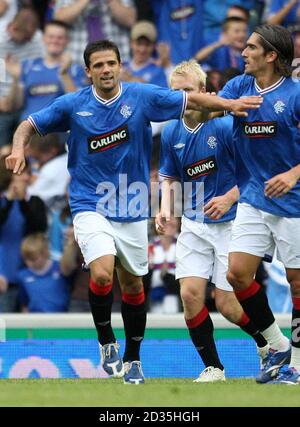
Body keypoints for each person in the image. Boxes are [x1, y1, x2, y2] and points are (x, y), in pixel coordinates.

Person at [5, 39, 262, 384]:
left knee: (132, 285)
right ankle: (106, 340)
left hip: (132, 206)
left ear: (120, 65)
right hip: (89, 203)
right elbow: (28, 124)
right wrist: (19, 149)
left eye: (111, 63)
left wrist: (230, 104)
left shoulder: (142, 97)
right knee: (101, 273)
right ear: (88, 72)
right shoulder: (72, 105)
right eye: (98, 65)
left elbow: (193, 99)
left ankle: (133, 359)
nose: (106, 70)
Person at [156, 59, 268, 382]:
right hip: (193, 224)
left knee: (229, 306)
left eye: (188, 91)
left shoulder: (223, 128)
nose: (183, 99)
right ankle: (214, 367)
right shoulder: (171, 132)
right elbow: (168, 176)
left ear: (204, 92)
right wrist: (165, 208)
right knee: (190, 294)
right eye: (176, 93)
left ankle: (265, 343)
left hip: (231, 224)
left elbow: (252, 174)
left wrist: (229, 197)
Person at [220, 24, 300, 385]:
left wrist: (295, 173)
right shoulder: (238, 87)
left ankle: (296, 363)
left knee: (298, 284)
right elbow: (211, 111)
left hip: (292, 201)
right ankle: (277, 344)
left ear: (271, 55)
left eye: (252, 47)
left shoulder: (295, 95)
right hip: (253, 196)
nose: (244, 52)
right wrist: (219, 105)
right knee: (236, 274)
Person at [17, 233, 73, 313]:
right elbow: (24, 304)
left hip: (61, 317)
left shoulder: (60, 268)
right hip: (35, 319)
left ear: (45, 253)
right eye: (26, 259)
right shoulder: (22, 275)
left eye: (33, 259)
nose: (30, 262)